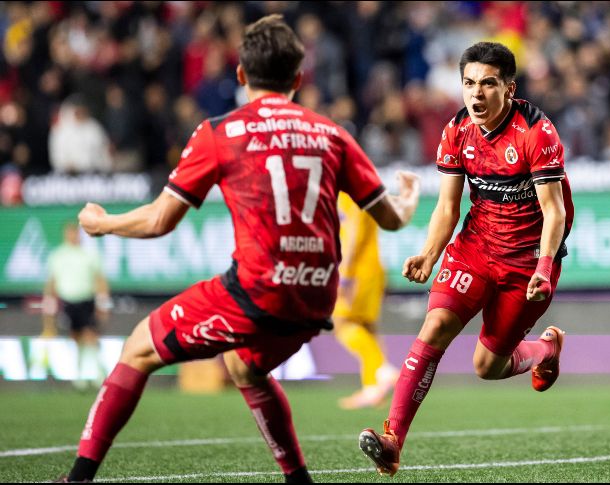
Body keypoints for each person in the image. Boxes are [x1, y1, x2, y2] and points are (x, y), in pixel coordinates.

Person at [62, 15, 420, 484]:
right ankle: (299, 479)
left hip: (258, 291)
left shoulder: (221, 131)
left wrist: (102, 223)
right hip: (316, 297)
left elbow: (157, 222)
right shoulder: (331, 133)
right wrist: (410, 198)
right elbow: (391, 218)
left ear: (240, 75)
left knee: (136, 350)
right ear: (297, 79)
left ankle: (78, 479)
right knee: (244, 366)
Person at [358, 41, 574, 476]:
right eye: (469, 83)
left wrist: (545, 269)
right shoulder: (457, 130)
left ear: (509, 89)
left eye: (488, 84)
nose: (476, 94)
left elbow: (556, 211)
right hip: (474, 249)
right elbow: (447, 207)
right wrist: (429, 253)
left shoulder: (536, 132)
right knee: (435, 326)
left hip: (526, 263)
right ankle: (392, 440)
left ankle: (547, 349)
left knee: (486, 367)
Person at [333, 192, 398, 410]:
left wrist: (346, 272)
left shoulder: (348, 195)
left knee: (342, 325)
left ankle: (382, 370)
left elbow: (354, 233)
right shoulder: (364, 192)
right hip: (372, 268)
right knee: (367, 328)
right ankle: (372, 387)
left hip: (357, 271)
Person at [42, 221, 111, 389]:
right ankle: (79, 375)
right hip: (68, 301)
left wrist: (103, 303)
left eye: (76, 232)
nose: (73, 236)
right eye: (70, 232)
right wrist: (49, 311)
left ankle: (98, 375)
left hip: (86, 300)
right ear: (65, 234)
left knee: (90, 336)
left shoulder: (89, 254)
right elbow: (51, 284)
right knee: (75, 337)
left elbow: (100, 280)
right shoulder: (57, 256)